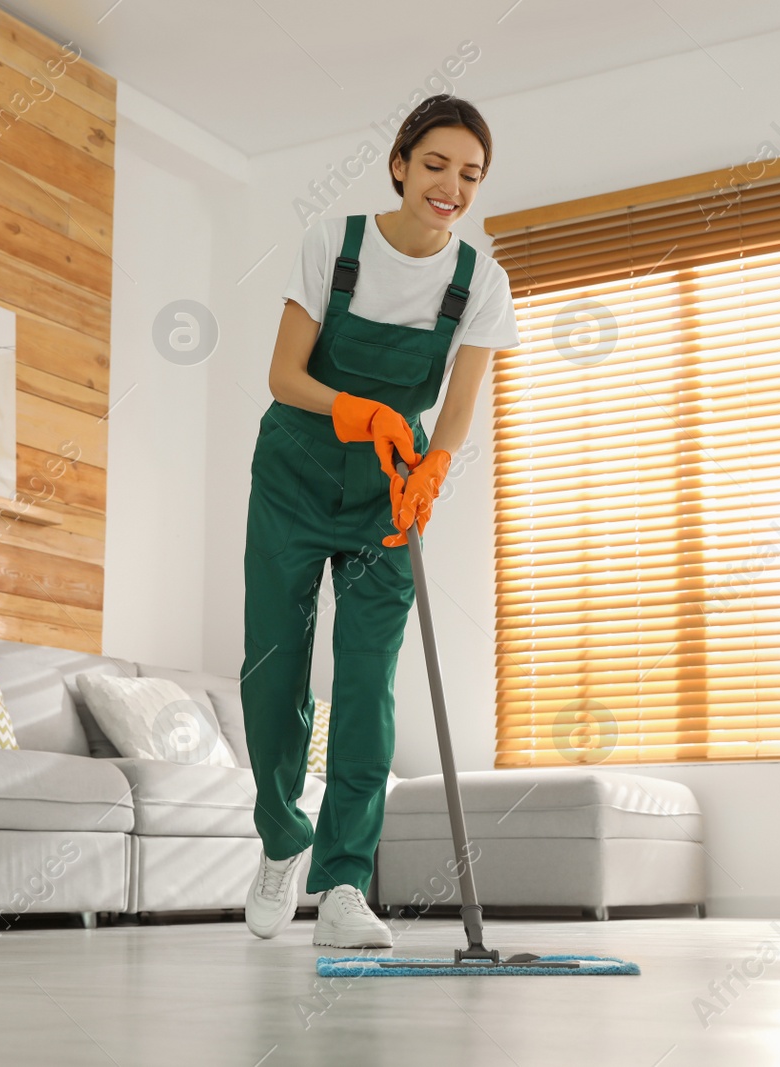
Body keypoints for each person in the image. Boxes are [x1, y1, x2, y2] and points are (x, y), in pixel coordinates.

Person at [239, 95, 521, 949]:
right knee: (273, 672)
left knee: (368, 685)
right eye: (436, 165)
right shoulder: (336, 243)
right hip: (294, 475)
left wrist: (433, 467)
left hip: (389, 499)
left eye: (470, 175)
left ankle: (343, 885)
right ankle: (283, 835)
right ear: (400, 163)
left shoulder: (480, 280)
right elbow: (285, 375)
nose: (451, 187)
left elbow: (462, 405)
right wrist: (359, 411)